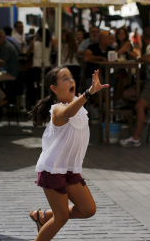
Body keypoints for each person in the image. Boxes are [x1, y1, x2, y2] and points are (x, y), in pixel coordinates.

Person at [28, 67, 108, 240]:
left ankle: (44, 216)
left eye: (71, 77)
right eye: (64, 78)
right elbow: (67, 112)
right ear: (54, 89)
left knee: (88, 210)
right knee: (61, 217)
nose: (70, 80)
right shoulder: (57, 110)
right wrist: (88, 93)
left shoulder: (78, 104)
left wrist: (84, 95)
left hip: (70, 170)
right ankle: (50, 217)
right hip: (53, 170)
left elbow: (74, 108)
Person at [119, 27, 150, 147]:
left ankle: (136, 138)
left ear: (144, 38)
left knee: (139, 106)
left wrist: (139, 58)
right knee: (127, 94)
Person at [25, 27, 52, 109]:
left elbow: (27, 54)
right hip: (47, 67)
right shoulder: (50, 44)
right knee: (45, 87)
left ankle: (31, 103)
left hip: (36, 67)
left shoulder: (34, 43)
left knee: (30, 84)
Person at [0, 28, 20, 105]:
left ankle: (2, 98)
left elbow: (0, 63)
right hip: (5, 71)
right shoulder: (0, 46)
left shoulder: (6, 47)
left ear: (4, 37)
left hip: (11, 73)